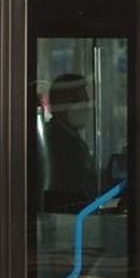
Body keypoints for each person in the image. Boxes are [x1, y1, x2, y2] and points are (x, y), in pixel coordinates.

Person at [45, 73, 96, 210]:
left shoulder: (68, 136)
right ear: (60, 102)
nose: (85, 106)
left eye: (86, 100)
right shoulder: (56, 140)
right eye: (79, 99)